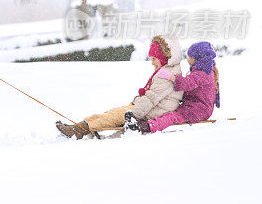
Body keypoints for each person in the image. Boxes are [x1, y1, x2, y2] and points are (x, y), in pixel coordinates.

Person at [56, 35, 184, 139]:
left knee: (115, 115)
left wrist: (133, 115)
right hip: (150, 108)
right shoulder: (167, 70)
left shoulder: (166, 74)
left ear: (162, 57)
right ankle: (80, 128)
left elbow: (151, 98)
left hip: (152, 112)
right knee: (110, 113)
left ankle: (79, 130)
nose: (152, 62)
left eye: (154, 59)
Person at [126, 41, 220, 134]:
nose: (187, 59)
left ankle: (148, 127)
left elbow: (187, 83)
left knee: (173, 116)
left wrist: (171, 77)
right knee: (172, 111)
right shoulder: (203, 71)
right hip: (196, 105)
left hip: (198, 109)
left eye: (190, 57)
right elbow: (191, 90)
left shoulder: (203, 73)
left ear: (197, 59)